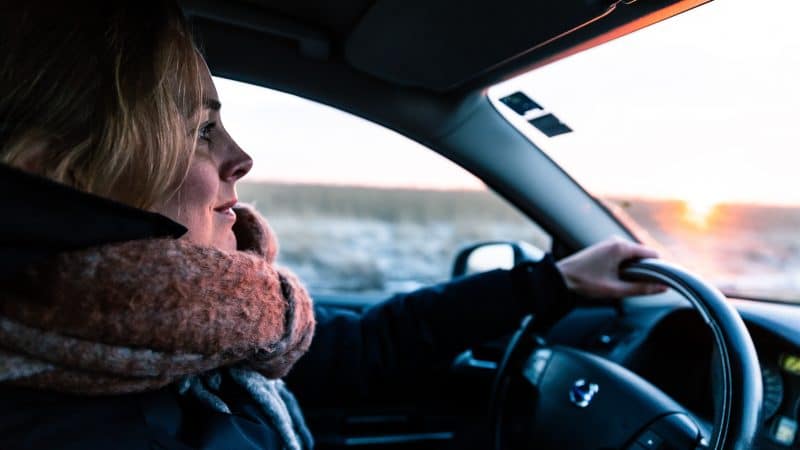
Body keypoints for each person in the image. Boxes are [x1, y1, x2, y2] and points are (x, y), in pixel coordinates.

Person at [0, 2, 666, 449]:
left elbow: (363, 349)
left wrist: (550, 283)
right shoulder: (62, 418)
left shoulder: (185, 334)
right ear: (55, 173)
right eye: (201, 129)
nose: (241, 157)